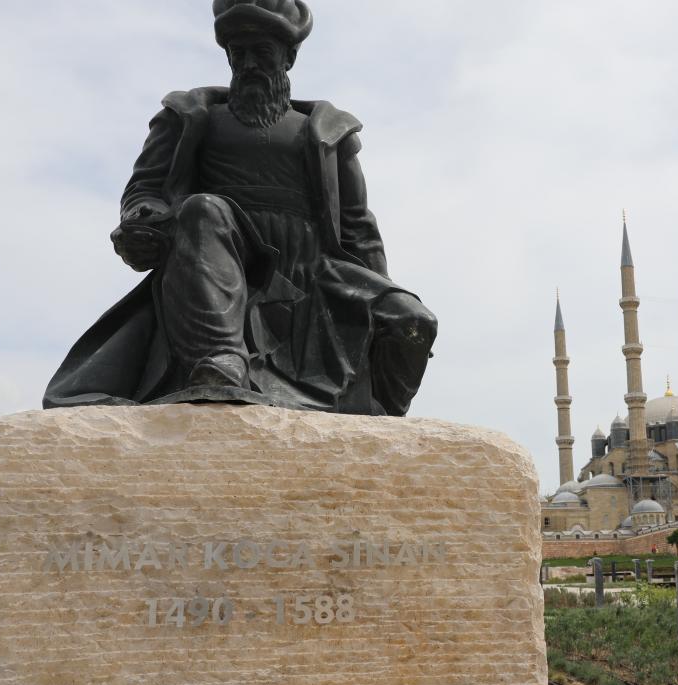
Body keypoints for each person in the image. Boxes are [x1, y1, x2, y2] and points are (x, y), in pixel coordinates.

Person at [44, 0, 436, 416]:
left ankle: (381, 420)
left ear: (289, 56)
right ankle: (220, 361)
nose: (249, 64)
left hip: (313, 271)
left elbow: (357, 227)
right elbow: (145, 191)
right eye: (239, 54)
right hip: (223, 254)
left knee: (413, 321)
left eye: (261, 52)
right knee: (202, 208)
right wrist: (141, 221)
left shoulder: (328, 132)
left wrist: (378, 291)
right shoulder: (190, 116)